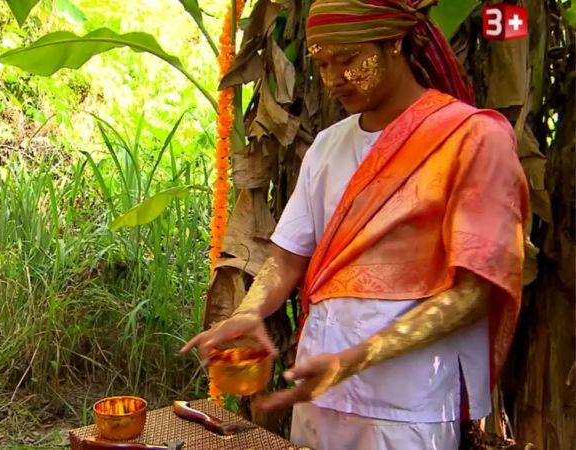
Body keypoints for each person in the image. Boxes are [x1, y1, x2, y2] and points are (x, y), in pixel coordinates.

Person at [181, 0, 529, 448]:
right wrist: (250, 312)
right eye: (322, 62)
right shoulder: (327, 146)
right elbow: (287, 258)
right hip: (319, 389)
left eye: (348, 60)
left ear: (395, 44)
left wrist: (353, 360)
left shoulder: (471, 139)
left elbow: (474, 291)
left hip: (406, 406)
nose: (332, 79)